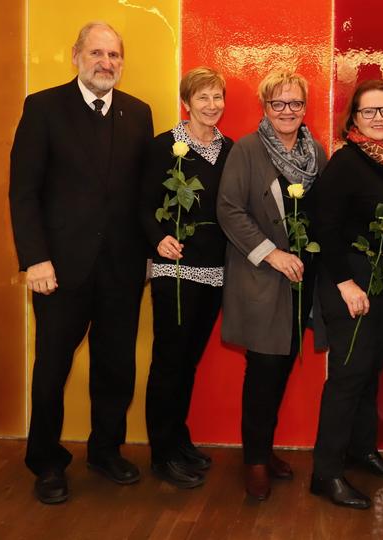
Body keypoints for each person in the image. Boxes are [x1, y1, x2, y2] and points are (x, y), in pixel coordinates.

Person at [8, 22, 153, 504]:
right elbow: (24, 193)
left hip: (122, 271)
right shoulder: (43, 108)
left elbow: (141, 196)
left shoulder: (138, 113)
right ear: (75, 56)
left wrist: (149, 253)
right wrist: (35, 259)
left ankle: (105, 451)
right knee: (51, 369)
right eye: (96, 52)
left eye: (114, 55)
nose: (105, 62)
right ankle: (46, 461)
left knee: (115, 367)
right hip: (58, 272)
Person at [311, 79, 383, 509]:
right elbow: (325, 227)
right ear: (353, 118)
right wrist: (345, 284)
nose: (377, 119)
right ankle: (326, 473)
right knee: (347, 375)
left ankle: (361, 450)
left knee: (370, 368)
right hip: (352, 281)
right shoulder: (346, 162)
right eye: (368, 111)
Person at [217, 70, 327, 501]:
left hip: (301, 282)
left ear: (305, 108)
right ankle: (255, 461)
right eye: (278, 103)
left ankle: (264, 448)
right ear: (265, 108)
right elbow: (229, 210)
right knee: (262, 372)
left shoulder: (315, 152)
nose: (287, 111)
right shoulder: (247, 149)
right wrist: (273, 254)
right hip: (262, 276)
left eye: (295, 103)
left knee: (281, 369)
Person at [140, 67, 233, 489]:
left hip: (215, 270)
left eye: (217, 98)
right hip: (176, 267)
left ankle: (178, 439)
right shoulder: (165, 146)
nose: (211, 106)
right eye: (202, 98)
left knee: (188, 362)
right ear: (186, 102)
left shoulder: (229, 149)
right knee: (168, 363)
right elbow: (141, 203)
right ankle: (161, 453)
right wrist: (158, 239)